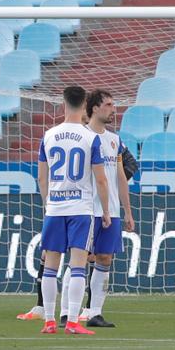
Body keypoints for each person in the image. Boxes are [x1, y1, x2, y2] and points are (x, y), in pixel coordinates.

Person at [56, 90, 135, 328]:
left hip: (110, 210)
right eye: (109, 104)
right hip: (86, 209)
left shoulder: (114, 140)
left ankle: (94, 312)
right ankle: (66, 312)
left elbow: (120, 177)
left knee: (105, 258)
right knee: (78, 259)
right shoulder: (82, 136)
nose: (114, 109)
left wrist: (127, 211)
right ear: (94, 108)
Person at [37, 86, 111, 335]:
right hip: (81, 208)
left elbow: (41, 177)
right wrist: (106, 210)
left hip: (55, 208)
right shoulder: (91, 137)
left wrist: (48, 203)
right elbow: (101, 180)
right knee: (78, 264)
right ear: (85, 106)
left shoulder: (48, 135)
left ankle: (49, 321)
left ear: (63, 104)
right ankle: (71, 322)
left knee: (51, 266)